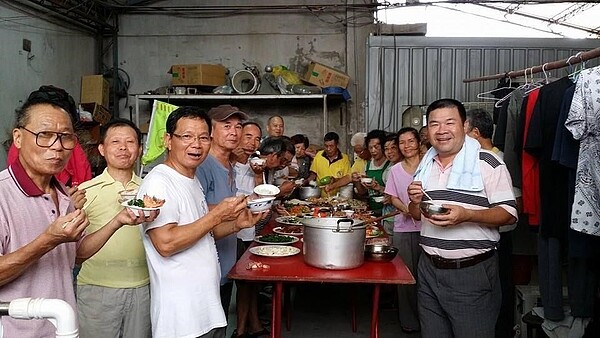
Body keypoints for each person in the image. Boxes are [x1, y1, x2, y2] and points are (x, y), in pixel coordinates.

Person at [0, 89, 156, 338]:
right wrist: (49, 239)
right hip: (19, 331)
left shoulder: (63, 195)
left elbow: (76, 255)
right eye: (45, 135)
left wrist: (118, 221)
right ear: (18, 138)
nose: (57, 146)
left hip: (63, 328)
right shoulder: (3, 194)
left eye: (65, 137)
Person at [137, 106, 265, 338]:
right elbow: (165, 243)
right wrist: (217, 215)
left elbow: (202, 232)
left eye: (203, 137)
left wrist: (237, 224)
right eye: (186, 136)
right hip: (182, 319)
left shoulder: (191, 179)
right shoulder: (159, 182)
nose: (196, 144)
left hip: (206, 309)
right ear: (168, 140)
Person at [407, 98, 518, 338]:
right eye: (434, 124)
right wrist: (415, 202)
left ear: (465, 125)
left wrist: (467, 215)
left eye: (450, 122)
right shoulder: (426, 165)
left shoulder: (488, 162)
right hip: (428, 270)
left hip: (470, 273)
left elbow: (509, 215)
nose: (442, 130)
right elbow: (416, 214)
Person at [76, 118, 151, 338]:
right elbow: (74, 250)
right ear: (102, 149)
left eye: (130, 142)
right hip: (97, 288)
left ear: (139, 149)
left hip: (142, 286)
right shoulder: (85, 191)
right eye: (115, 142)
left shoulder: (150, 190)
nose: (123, 148)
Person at [465, 108, 522, 338]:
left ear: (476, 133)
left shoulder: (498, 160)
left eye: (464, 131)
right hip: (487, 235)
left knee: (498, 289)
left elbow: (513, 205)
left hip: (499, 237)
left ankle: (501, 331)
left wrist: (470, 213)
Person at [195, 104, 248, 319]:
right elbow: (194, 210)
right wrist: (236, 206)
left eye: (238, 126)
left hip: (225, 264)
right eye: (226, 126)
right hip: (206, 269)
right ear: (210, 131)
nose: (234, 132)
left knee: (222, 323)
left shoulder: (229, 166)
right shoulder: (203, 165)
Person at [232, 121, 270, 338]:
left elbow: (264, 199)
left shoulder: (255, 165)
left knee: (249, 282)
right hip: (230, 232)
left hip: (248, 231)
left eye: (256, 138)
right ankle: (243, 328)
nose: (252, 142)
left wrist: (258, 175)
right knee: (242, 283)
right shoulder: (226, 164)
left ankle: (249, 326)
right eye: (248, 136)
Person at [384, 127, 422, 334]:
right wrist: (406, 209)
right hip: (403, 228)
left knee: (425, 278)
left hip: (429, 229)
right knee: (406, 276)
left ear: (418, 143)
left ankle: (428, 319)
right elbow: (392, 197)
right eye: (402, 142)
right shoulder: (395, 170)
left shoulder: (429, 166)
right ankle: (409, 321)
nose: (406, 146)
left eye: (410, 141)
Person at [354, 129, 391, 215]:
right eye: (370, 147)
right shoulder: (368, 165)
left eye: (376, 147)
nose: (373, 151)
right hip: (372, 210)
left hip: (387, 212)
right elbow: (362, 192)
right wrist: (357, 182)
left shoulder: (390, 165)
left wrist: (378, 187)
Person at [304, 132, 351, 196]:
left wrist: (334, 182)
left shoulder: (344, 158)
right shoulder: (319, 155)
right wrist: (306, 181)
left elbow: (347, 178)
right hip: (321, 197)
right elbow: (313, 174)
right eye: (326, 146)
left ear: (337, 145)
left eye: (331, 146)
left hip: (338, 197)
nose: (328, 149)